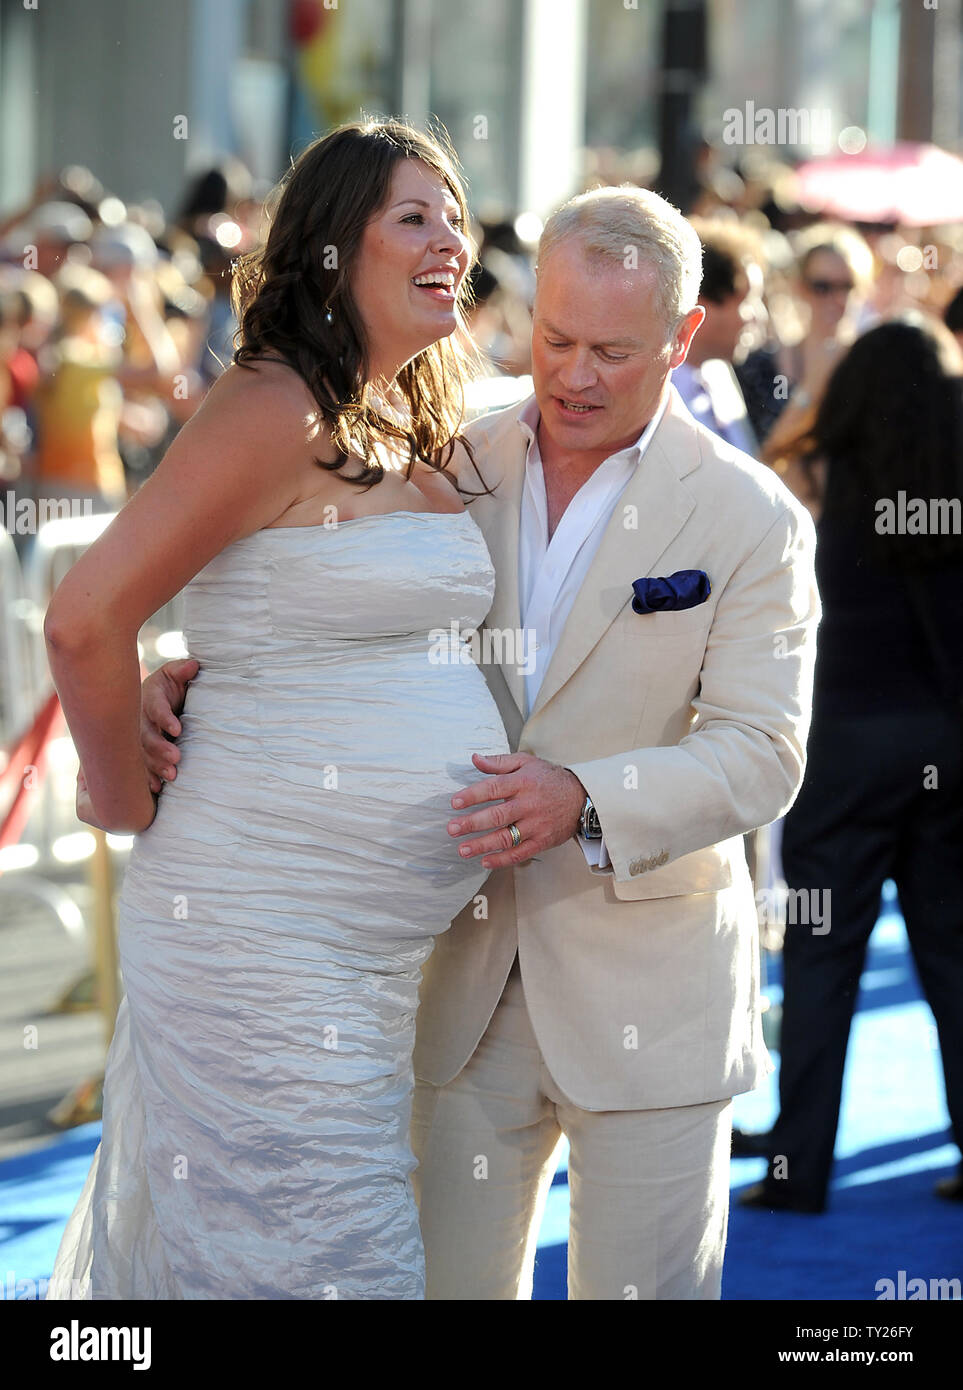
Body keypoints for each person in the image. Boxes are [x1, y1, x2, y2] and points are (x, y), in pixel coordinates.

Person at [146, 185, 820, 1299]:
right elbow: (297, 596)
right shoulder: (442, 454)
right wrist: (167, 677)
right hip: (454, 985)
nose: (573, 374)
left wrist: (585, 796)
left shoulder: (753, 518)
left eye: (612, 349)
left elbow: (765, 749)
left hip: (653, 1004)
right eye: (554, 337)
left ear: (684, 339)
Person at [44, 118, 510, 1301]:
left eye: (456, 212)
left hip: (370, 948)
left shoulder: (409, 410)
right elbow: (87, 615)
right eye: (413, 215)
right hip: (254, 930)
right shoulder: (274, 403)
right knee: (323, 1256)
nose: (450, 235)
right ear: (328, 250)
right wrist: (119, 790)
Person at [736, 315, 963, 1213]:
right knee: (951, 955)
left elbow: (763, 480)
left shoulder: (816, 477)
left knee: (823, 957)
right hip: (946, 746)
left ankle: (797, 1167)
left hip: (842, 747)